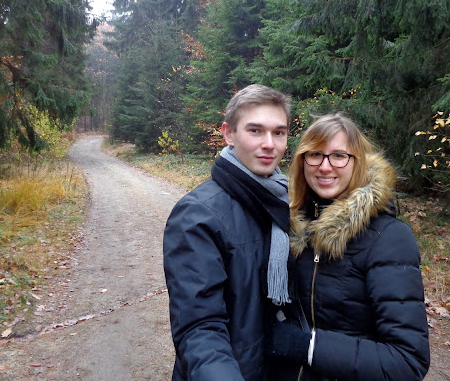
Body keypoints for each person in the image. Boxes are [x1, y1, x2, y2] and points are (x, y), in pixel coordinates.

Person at [267, 113, 430, 381]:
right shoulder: (287, 229)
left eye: (339, 156)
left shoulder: (388, 238)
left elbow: (408, 361)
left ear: (358, 162)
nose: (325, 166)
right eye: (315, 154)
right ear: (302, 161)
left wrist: (308, 346)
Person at [163, 84, 293, 380]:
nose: (269, 144)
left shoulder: (283, 202)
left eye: (279, 132)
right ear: (228, 134)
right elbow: (199, 327)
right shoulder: (198, 215)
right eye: (255, 131)